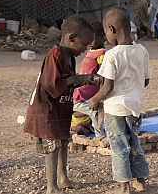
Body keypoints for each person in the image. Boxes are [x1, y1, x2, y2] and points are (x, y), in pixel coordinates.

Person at [24, 15, 103, 194]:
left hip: (60, 107)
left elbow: (69, 80)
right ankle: (52, 187)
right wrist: (81, 79)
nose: (85, 49)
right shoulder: (56, 54)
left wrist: (87, 80)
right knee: (52, 146)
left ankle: (63, 178)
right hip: (47, 109)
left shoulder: (69, 56)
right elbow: (51, 83)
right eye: (84, 45)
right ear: (71, 38)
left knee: (63, 141)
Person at [89, 6, 151, 194]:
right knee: (134, 143)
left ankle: (123, 186)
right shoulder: (142, 50)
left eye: (106, 31)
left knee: (119, 146)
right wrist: (133, 87)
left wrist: (94, 100)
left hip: (115, 109)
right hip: (134, 107)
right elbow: (146, 80)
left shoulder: (112, 55)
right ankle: (140, 181)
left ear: (112, 30)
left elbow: (107, 86)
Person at [71, 21, 106, 137]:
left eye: (93, 38)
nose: (90, 42)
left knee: (96, 110)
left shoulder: (100, 53)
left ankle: (95, 132)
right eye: (88, 39)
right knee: (95, 111)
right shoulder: (94, 52)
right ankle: (99, 136)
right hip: (80, 96)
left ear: (103, 37)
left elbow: (103, 74)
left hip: (84, 96)